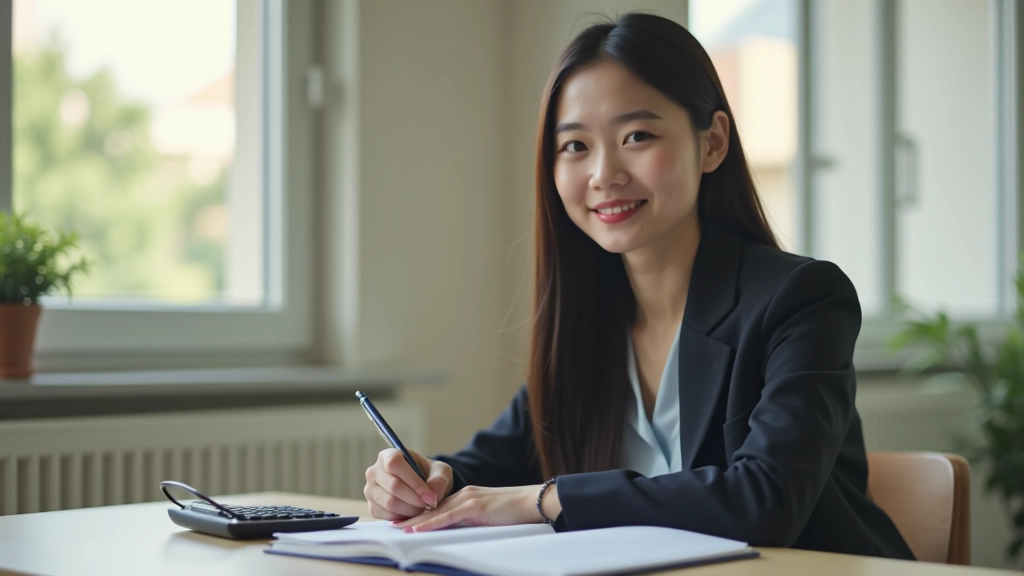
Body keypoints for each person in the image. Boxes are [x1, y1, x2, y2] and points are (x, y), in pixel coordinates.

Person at [362, 12, 915, 560]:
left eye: (637, 135)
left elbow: (765, 500)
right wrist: (422, 480)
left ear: (713, 142)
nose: (604, 173)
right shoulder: (586, 320)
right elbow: (488, 468)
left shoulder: (803, 300)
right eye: (575, 146)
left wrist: (547, 499)